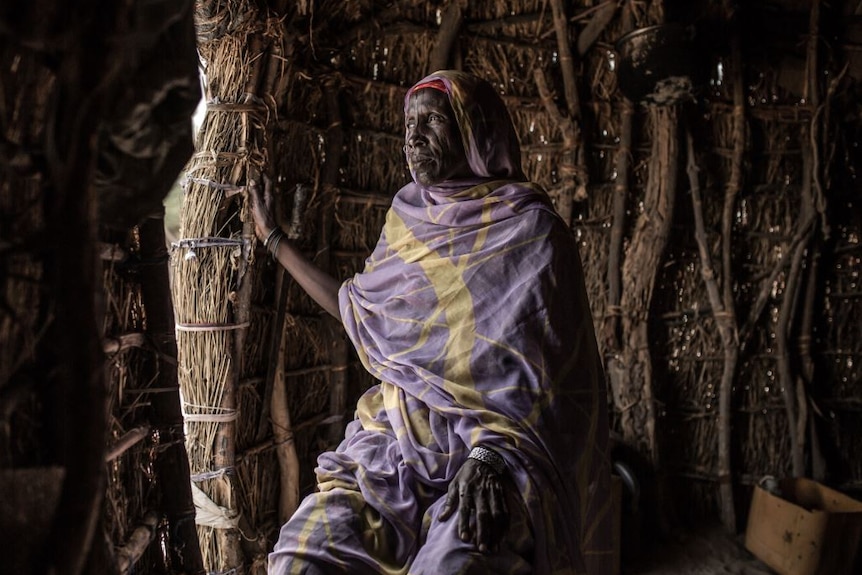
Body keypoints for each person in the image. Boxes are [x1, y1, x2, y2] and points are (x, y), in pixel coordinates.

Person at [251, 70, 611, 575]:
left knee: (455, 565)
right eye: (408, 123)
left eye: (433, 121)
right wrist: (274, 242)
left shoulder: (535, 234)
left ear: (474, 130)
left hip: (495, 454)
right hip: (395, 442)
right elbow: (358, 309)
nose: (413, 137)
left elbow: (558, 389)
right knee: (301, 560)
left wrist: (490, 457)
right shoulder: (407, 223)